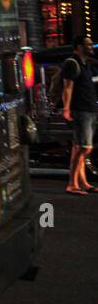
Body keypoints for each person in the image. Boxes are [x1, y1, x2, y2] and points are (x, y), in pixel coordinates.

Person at [59, 34, 98, 196]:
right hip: (81, 110)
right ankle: (72, 184)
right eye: (88, 45)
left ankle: (82, 183)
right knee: (84, 148)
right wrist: (66, 109)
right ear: (79, 47)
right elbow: (67, 88)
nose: (91, 47)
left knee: (78, 148)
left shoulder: (86, 64)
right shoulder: (72, 63)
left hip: (89, 110)